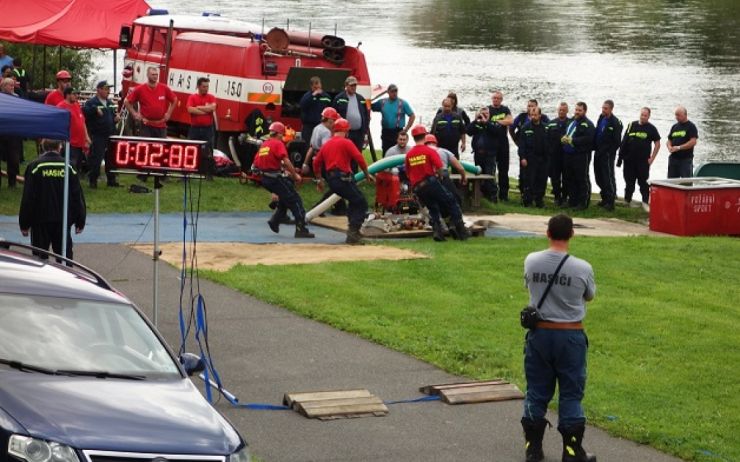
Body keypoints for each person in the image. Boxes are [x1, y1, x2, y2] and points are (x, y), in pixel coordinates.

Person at [521, 214, 596, 462]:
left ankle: (533, 448)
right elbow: (589, 296)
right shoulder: (582, 268)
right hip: (570, 334)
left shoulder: (532, 261)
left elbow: (529, 287)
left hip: (540, 334)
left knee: (536, 391)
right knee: (571, 393)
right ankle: (572, 451)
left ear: (548, 233)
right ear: (572, 234)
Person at [19, 139, 86, 263]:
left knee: (39, 260)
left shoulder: (35, 166)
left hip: (40, 221)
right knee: (64, 260)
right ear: (60, 147)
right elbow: (77, 195)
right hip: (63, 220)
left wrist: (24, 223)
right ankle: (65, 281)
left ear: (42, 146)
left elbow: (28, 197)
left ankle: (42, 281)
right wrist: (80, 220)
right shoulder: (68, 166)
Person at [312, 118, 375, 244]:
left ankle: (353, 230)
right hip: (343, 178)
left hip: (332, 179)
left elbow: (316, 162)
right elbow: (359, 158)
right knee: (361, 202)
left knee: (353, 201)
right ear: (346, 131)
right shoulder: (346, 143)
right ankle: (353, 232)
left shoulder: (327, 144)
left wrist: (319, 179)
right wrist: (367, 174)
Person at [250, 121, 314, 238]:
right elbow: (286, 161)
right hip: (274, 179)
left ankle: (276, 220)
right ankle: (301, 229)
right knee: (295, 200)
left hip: (265, 179)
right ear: (279, 134)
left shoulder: (265, 145)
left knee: (285, 197)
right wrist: (295, 175)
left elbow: (261, 163)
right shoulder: (278, 144)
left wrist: (287, 171)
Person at [405, 125, 468, 242]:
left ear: (413, 138)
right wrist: (439, 176)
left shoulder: (409, 154)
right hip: (430, 182)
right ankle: (461, 230)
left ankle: (437, 232)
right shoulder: (429, 151)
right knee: (451, 201)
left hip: (418, 187)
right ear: (424, 136)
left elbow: (408, 173)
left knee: (433, 207)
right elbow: (440, 168)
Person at [618, 107, 661, 205]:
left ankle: (645, 202)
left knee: (643, 183)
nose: (643, 117)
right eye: (642, 115)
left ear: (649, 116)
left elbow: (657, 144)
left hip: (643, 162)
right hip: (629, 160)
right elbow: (624, 141)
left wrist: (652, 158)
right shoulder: (631, 125)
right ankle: (627, 201)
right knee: (629, 182)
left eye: (645, 115)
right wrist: (620, 158)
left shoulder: (651, 128)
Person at [83, 80, 120, 188]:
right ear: (98, 90)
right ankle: (93, 180)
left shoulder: (110, 103)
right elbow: (85, 112)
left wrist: (116, 119)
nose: (108, 91)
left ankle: (111, 180)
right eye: (105, 89)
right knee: (96, 158)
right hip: (98, 135)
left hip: (110, 134)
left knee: (111, 158)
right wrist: (95, 109)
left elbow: (113, 116)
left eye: (109, 89)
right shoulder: (91, 102)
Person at [124, 66, 176, 138]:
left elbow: (174, 100)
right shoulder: (140, 89)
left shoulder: (164, 88)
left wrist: (169, 113)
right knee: (146, 147)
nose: (155, 76)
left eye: (156, 75)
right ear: (147, 75)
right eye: (153, 74)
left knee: (161, 147)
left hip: (161, 125)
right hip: (146, 126)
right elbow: (126, 101)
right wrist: (134, 114)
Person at [561, 102, 595, 210]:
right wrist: (563, 138)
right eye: (576, 110)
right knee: (570, 178)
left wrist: (573, 140)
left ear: (584, 111)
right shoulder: (571, 121)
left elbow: (589, 139)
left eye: (580, 110)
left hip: (581, 155)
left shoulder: (588, 124)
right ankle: (572, 201)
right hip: (568, 154)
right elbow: (567, 132)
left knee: (582, 178)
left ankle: (583, 203)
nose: (577, 112)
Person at [593, 100, 623, 211]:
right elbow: (597, 132)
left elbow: (617, 142)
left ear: (611, 109)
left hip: (607, 155)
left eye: (605, 108)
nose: (603, 110)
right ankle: (604, 198)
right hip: (598, 152)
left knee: (608, 177)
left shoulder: (615, 122)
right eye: (602, 108)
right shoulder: (601, 118)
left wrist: (609, 152)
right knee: (598, 176)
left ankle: (610, 202)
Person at [424, 133, 467, 208]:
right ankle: (455, 216)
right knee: (455, 199)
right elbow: (460, 168)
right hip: (443, 176)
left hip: (427, 178)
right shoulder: (444, 152)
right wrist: (463, 177)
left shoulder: (420, 153)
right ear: (436, 143)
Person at [466, 106, 499, 203]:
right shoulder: (477, 124)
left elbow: (496, 132)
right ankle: (481, 195)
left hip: (489, 154)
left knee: (489, 175)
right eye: (482, 114)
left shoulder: (493, 123)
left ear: (489, 115)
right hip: (478, 154)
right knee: (479, 174)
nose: (484, 116)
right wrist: (476, 120)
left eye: (486, 114)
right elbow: (468, 131)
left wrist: (486, 123)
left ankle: (492, 197)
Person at [371, 83, 415, 154]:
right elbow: (370, 106)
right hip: (386, 131)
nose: (394, 93)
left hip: (398, 132)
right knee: (386, 151)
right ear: (388, 92)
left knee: (398, 151)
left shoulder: (403, 103)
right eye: (392, 91)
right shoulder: (382, 102)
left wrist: (406, 129)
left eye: (396, 91)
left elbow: (412, 116)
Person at [186, 77, 217, 178]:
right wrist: (205, 111)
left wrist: (198, 108)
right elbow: (190, 110)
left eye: (207, 86)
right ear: (198, 86)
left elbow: (213, 108)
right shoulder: (192, 97)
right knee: (192, 149)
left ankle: (208, 174)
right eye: (204, 86)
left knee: (208, 150)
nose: (206, 88)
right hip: (195, 129)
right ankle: (189, 171)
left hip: (208, 129)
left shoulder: (211, 97)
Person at [518, 107, 548, 208]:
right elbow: (521, 145)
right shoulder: (525, 128)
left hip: (542, 159)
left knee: (542, 180)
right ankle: (528, 201)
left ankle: (539, 200)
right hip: (530, 158)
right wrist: (523, 158)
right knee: (529, 180)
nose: (533, 117)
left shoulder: (545, 127)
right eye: (532, 115)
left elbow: (549, 144)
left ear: (540, 115)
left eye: (535, 115)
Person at [56, 87, 90, 174]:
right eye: (74, 94)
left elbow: (82, 121)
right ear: (67, 95)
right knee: (71, 165)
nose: (77, 96)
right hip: (70, 142)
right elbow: (57, 124)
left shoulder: (76, 104)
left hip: (80, 143)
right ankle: (68, 185)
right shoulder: (61, 106)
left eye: (77, 94)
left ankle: (74, 183)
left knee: (77, 166)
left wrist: (86, 137)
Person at [332, 75, 369, 152]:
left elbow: (366, 115)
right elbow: (334, 115)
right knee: (345, 153)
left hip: (359, 133)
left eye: (355, 85)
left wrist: (365, 131)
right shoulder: (339, 98)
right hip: (345, 133)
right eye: (351, 85)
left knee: (357, 154)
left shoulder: (361, 98)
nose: (353, 87)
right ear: (346, 85)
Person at [488, 91, 514, 201]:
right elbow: (484, 121)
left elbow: (510, 121)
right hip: (491, 142)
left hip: (503, 143)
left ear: (501, 100)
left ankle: (504, 194)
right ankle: (491, 193)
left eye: (498, 98)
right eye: (494, 98)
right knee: (491, 169)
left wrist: (497, 121)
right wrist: (503, 121)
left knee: (504, 170)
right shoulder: (488, 109)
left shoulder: (505, 109)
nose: (496, 100)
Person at [546, 103, 571, 207]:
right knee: (555, 178)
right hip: (554, 156)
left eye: (564, 110)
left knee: (566, 177)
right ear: (557, 110)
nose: (561, 112)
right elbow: (546, 139)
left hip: (566, 155)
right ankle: (557, 197)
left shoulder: (571, 123)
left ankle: (565, 197)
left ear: (567, 111)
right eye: (560, 110)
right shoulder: (551, 123)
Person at [0, 77, 22, 189]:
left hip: (13, 133)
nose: (12, 87)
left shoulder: (17, 98)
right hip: (1, 131)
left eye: (13, 85)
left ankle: (12, 183)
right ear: (3, 86)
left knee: (13, 159)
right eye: (10, 85)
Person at [666, 105, 698, 178]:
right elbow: (669, 140)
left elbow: (693, 142)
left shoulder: (691, 126)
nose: (676, 117)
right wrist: (669, 147)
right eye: (676, 115)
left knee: (686, 182)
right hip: (673, 159)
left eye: (678, 115)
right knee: (671, 182)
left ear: (685, 115)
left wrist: (679, 147)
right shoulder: (674, 127)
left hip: (685, 160)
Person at [299, 76, 332, 144]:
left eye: (319, 86)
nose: (317, 89)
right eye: (315, 87)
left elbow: (330, 110)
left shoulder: (326, 97)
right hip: (308, 127)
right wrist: (313, 95)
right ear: (311, 86)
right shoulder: (307, 96)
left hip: (322, 126)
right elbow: (302, 105)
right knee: (307, 145)